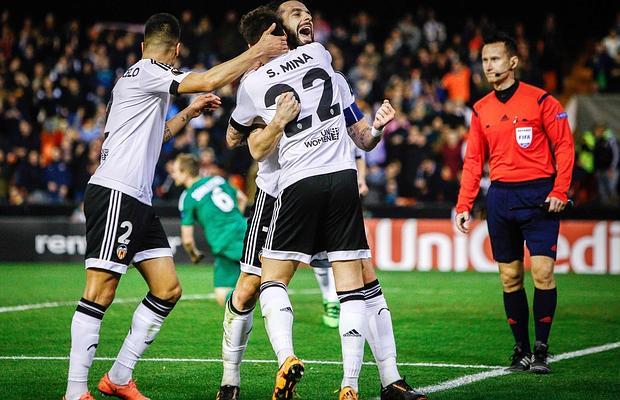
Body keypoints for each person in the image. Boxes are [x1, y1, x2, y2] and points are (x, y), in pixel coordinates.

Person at [63, 13, 287, 400]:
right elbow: (206, 78)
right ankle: (74, 391)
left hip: (137, 198)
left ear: (143, 43)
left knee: (167, 289)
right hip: (116, 192)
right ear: (176, 49)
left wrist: (188, 112)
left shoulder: (139, 82)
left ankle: (118, 377)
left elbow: (157, 135)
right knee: (100, 289)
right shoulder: (149, 71)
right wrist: (257, 51)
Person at [224, 5, 424, 400]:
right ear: (275, 31)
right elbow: (251, 148)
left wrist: (377, 129)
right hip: (293, 186)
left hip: (304, 182)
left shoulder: (274, 79)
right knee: (261, 286)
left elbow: (362, 137)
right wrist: (275, 120)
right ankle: (233, 381)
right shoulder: (319, 57)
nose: (305, 16)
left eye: (305, 11)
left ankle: (367, 379)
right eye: (294, 13)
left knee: (293, 281)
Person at [454, 32, 574, 374]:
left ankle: (542, 348)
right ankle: (520, 348)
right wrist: (464, 204)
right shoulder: (480, 110)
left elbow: (564, 146)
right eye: (484, 61)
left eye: (494, 59)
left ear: (512, 62)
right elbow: (474, 161)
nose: (488, 66)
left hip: (539, 195)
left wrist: (560, 190)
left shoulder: (542, 101)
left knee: (543, 272)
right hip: (501, 197)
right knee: (509, 278)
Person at [170, 153, 248, 306]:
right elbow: (243, 198)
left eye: (175, 171)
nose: (172, 175)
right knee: (237, 286)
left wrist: (194, 255)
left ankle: (252, 299)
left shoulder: (188, 197)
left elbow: (187, 240)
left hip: (224, 242)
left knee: (223, 294)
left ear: (185, 173)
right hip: (244, 231)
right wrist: (234, 219)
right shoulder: (217, 179)